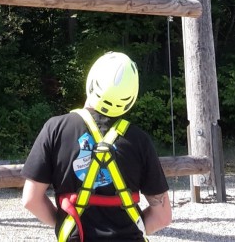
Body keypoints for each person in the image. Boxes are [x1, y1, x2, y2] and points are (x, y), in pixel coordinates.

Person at [22, 50, 172, 241]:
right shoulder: (139, 140)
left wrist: (66, 225)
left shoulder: (56, 129)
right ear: (131, 97)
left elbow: (31, 199)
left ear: (92, 81)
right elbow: (162, 216)